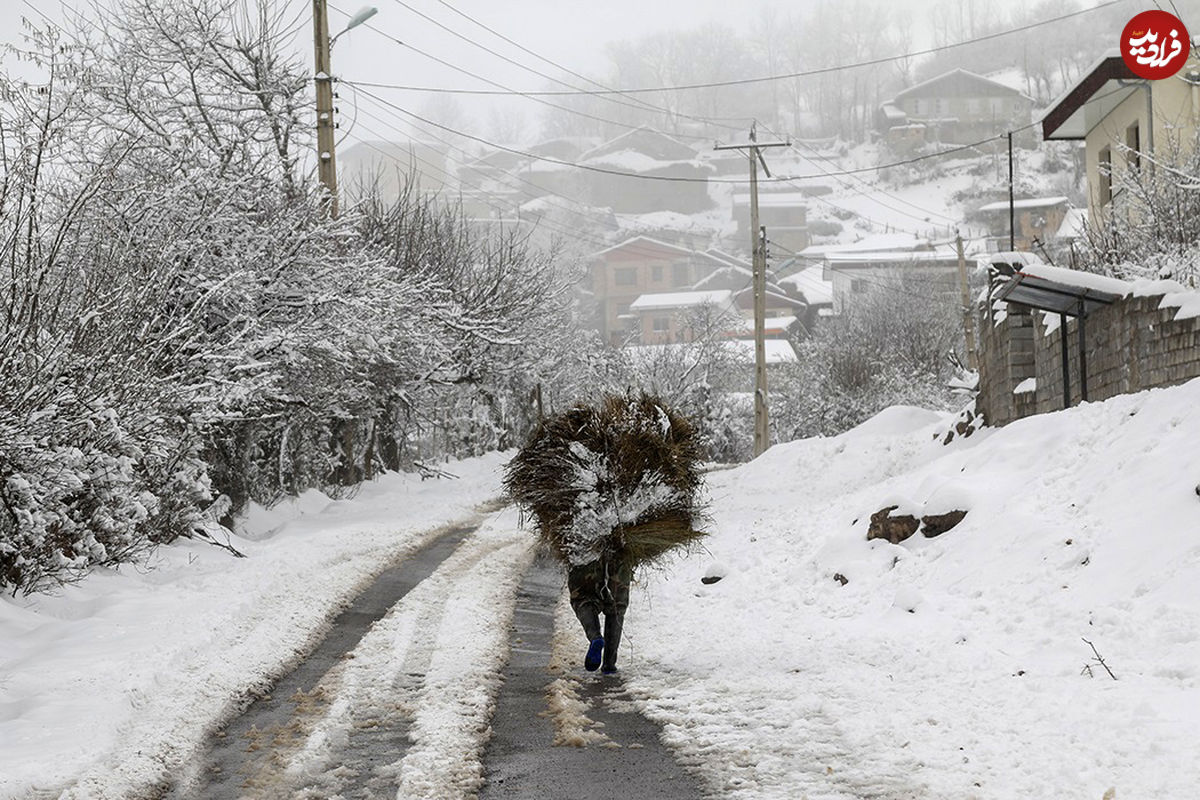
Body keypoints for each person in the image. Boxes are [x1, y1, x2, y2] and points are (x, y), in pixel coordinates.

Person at [567, 556, 633, 674]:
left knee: (583, 599)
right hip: (620, 553)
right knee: (616, 607)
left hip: (585, 551)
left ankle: (595, 637)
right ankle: (609, 664)